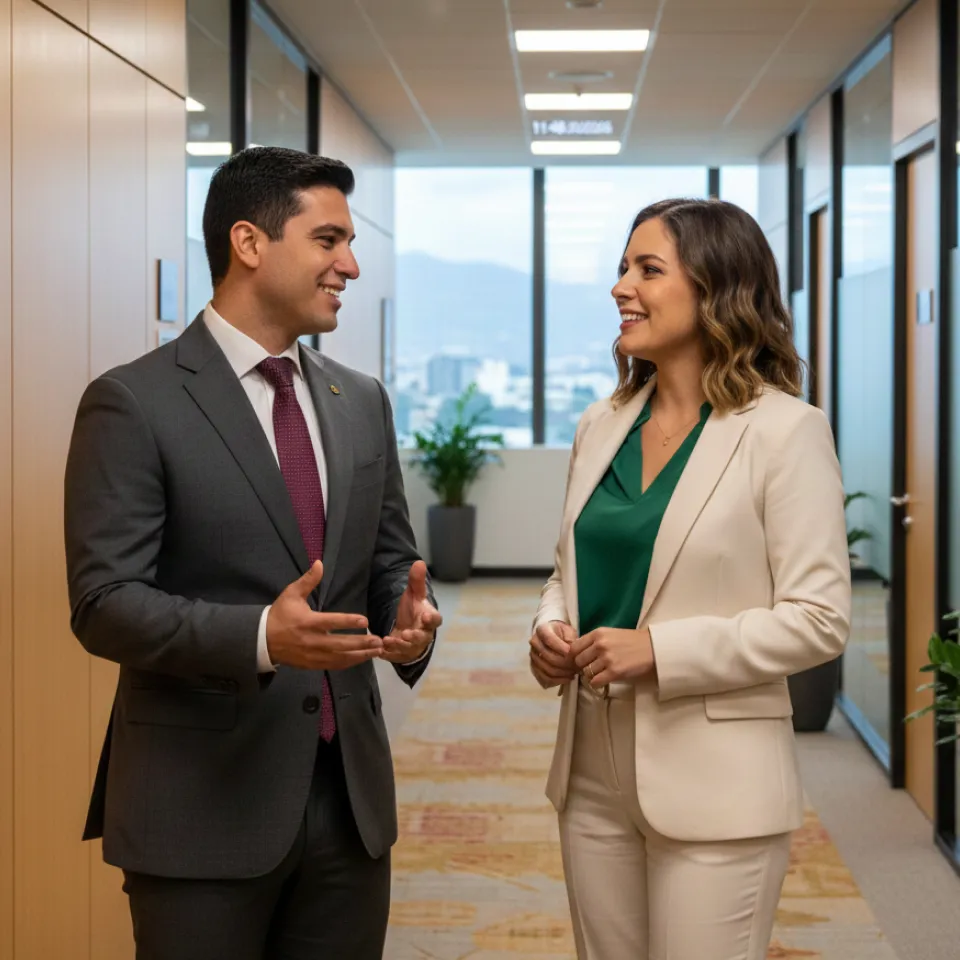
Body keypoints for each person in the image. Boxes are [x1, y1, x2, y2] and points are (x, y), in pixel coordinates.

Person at [64, 147, 441, 960]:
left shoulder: (360, 400)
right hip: (200, 802)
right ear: (249, 242)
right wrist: (262, 638)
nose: (351, 263)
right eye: (329, 239)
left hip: (349, 804)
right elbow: (105, 602)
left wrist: (408, 619)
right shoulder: (134, 402)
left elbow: (386, 562)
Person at [528, 198, 851, 960]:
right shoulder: (602, 424)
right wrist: (548, 627)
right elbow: (565, 571)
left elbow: (819, 617)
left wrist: (661, 651)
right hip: (591, 769)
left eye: (648, 269)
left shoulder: (784, 432)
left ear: (716, 289)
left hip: (717, 783)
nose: (621, 287)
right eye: (621, 268)